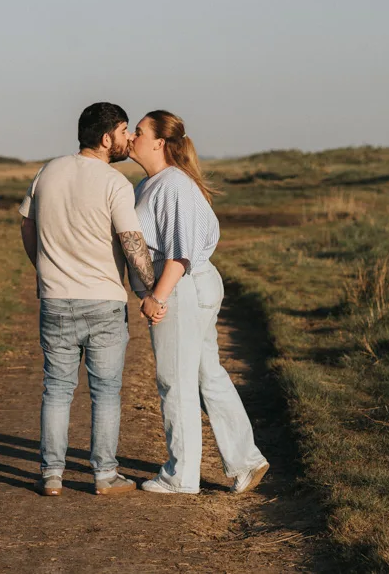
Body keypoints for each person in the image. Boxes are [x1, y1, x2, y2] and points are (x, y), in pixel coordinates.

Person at [19, 102, 165, 497]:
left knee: (57, 388)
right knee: (105, 393)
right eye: (122, 132)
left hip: (55, 298)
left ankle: (51, 475)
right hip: (103, 302)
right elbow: (132, 244)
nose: (128, 138)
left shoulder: (46, 172)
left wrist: (43, 267)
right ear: (105, 139)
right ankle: (104, 475)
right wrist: (151, 288)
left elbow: (27, 225)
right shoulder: (113, 183)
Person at [129, 110, 269, 495]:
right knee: (208, 373)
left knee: (175, 379)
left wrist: (157, 296)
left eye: (138, 132)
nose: (130, 137)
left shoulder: (173, 184)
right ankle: (246, 459)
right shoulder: (152, 183)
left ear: (159, 141)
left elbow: (181, 254)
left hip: (182, 286)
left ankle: (181, 475)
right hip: (188, 286)